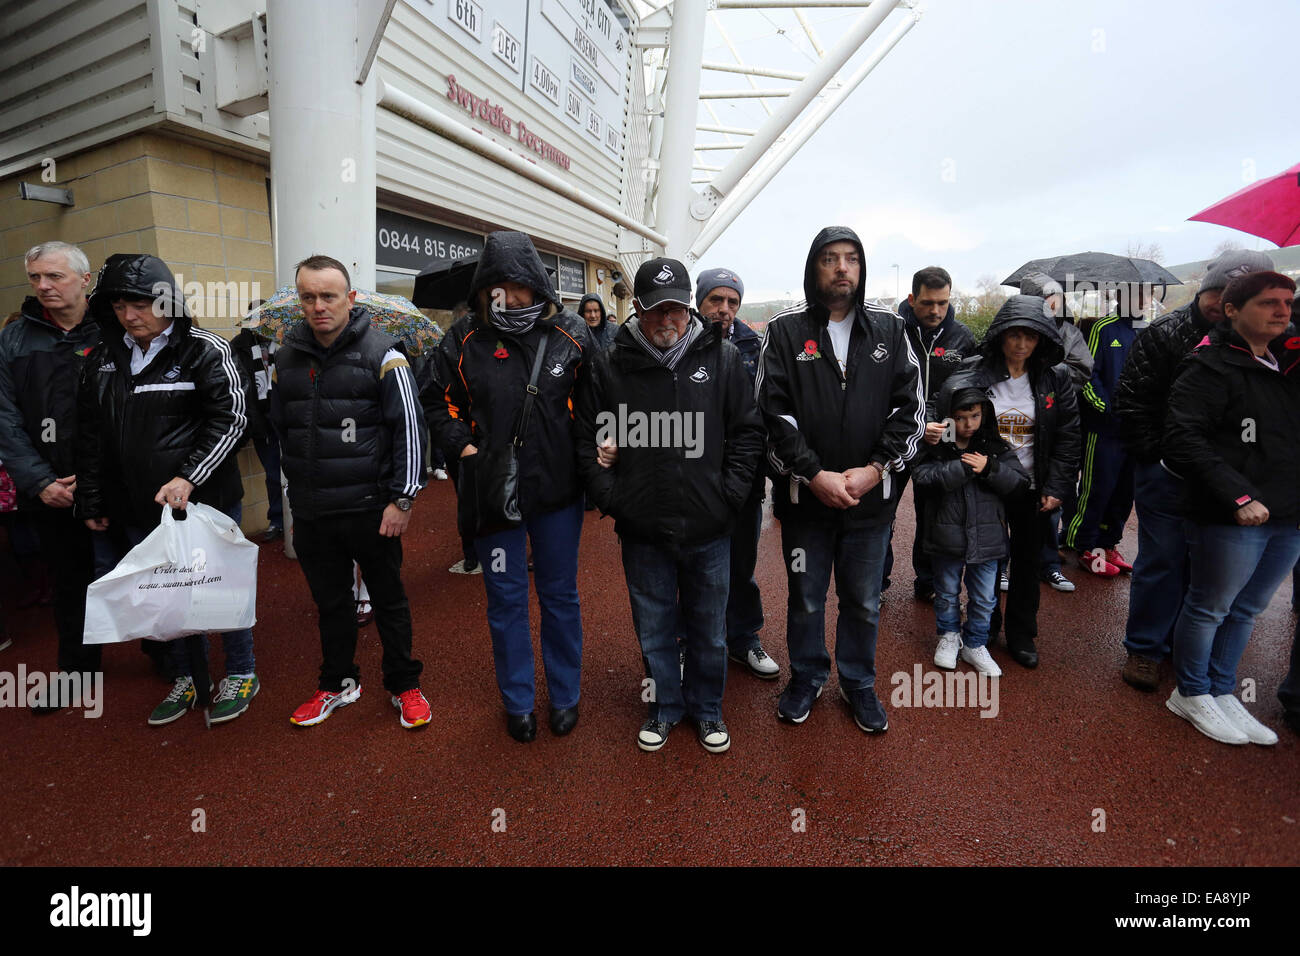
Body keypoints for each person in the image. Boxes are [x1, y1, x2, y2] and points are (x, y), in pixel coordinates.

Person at [578, 258, 763, 753]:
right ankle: (664, 707)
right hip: (642, 529)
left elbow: (747, 433)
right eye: (657, 310)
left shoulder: (722, 359)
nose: (668, 321)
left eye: (677, 310)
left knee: (710, 630)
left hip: (710, 526)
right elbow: (588, 438)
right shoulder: (608, 364)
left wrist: (729, 497)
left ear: (689, 309)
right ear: (636, 309)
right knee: (655, 628)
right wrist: (613, 499)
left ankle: (706, 709)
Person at [76, 253, 257, 724]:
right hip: (137, 508)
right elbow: (91, 436)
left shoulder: (206, 350)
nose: (130, 315)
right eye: (119, 306)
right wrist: (92, 497)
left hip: (205, 505)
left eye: (140, 304)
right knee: (163, 597)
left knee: (217, 591)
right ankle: (185, 678)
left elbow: (231, 419)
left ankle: (239, 671)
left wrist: (189, 477)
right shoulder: (102, 361)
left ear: (167, 301)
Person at [756, 226, 925, 732]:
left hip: (870, 504)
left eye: (851, 259)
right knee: (807, 597)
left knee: (863, 599)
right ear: (814, 268)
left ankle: (858, 683)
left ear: (862, 267)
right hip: (807, 503)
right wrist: (813, 475)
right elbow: (771, 415)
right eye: (830, 259)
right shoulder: (785, 333)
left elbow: (910, 411)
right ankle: (806, 677)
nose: (842, 268)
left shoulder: (890, 332)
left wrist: (875, 470)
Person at [427, 231, 591, 743]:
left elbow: (596, 406)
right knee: (505, 598)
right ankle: (517, 700)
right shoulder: (461, 340)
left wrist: (599, 452)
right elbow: (437, 401)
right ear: (481, 290)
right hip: (493, 494)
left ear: (536, 285)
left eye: (518, 285)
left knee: (560, 596)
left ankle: (566, 695)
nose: (508, 298)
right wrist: (464, 448)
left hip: (558, 494)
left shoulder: (572, 334)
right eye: (496, 286)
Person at [270, 254, 431, 730]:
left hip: (372, 508)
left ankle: (404, 685)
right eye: (309, 297)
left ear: (350, 298)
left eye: (329, 296)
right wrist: (297, 503)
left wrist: (402, 499)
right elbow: (283, 432)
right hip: (316, 511)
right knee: (332, 604)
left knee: (388, 600)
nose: (319, 306)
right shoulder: (285, 358)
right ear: (299, 300)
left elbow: (411, 431)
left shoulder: (385, 354)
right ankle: (338, 684)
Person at [1112, 249, 1275, 691]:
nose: (1219, 303)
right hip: (1166, 473)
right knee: (1162, 560)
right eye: (1215, 292)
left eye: (1232, 297)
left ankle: (1187, 649)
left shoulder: (1266, 344)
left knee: (1209, 567)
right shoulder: (1167, 333)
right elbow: (1132, 402)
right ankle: (1145, 649)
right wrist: (1157, 458)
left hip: (1227, 479)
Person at [1161, 270, 1298, 745]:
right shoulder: (1208, 366)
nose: (1282, 311)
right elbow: (1182, 439)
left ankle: (1222, 690)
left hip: (1287, 510)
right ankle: (1191, 691)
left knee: (1248, 609)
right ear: (1233, 310)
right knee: (1211, 606)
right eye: (1269, 303)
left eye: (1287, 301)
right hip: (1232, 512)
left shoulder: (1283, 365)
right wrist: (1238, 495)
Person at [943, 295, 1080, 669]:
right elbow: (947, 422)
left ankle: (1022, 633)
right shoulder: (973, 375)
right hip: (985, 483)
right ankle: (984, 629)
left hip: (1031, 486)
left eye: (1030, 337)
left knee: (1027, 561)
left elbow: (1068, 436)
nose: (1021, 345)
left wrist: (1056, 488)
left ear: (1042, 341)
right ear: (1001, 336)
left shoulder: (1055, 378)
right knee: (985, 560)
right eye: (1014, 335)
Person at [0, 243, 102, 687]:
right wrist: (40, 481)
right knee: (68, 580)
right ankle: (77, 671)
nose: (43, 286)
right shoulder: (15, 338)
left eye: (54, 277)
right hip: (52, 489)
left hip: (114, 481)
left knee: (141, 569)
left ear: (84, 280)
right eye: (36, 277)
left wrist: (110, 475)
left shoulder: (115, 327)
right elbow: (4, 417)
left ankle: (164, 656)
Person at [693, 266, 778, 679]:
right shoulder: (681, 342)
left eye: (732, 302)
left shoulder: (756, 346)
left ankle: (742, 639)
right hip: (692, 480)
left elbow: (765, 414)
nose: (724, 310)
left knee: (741, 565)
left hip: (744, 479)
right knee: (690, 567)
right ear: (700, 301)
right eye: (716, 300)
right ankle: (684, 641)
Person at [913, 377, 1030, 676]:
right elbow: (922, 478)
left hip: (988, 538)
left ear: (985, 414)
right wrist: (962, 468)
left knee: (984, 597)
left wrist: (989, 468)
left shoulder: (994, 446)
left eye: (975, 416)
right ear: (948, 417)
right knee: (947, 591)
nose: (968, 424)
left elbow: (1019, 483)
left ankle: (976, 643)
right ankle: (948, 635)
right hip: (945, 537)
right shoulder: (936, 447)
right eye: (961, 418)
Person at [893, 266, 976, 603]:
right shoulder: (892, 331)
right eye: (927, 303)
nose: (935, 311)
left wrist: (948, 429)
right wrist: (916, 423)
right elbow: (879, 388)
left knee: (935, 514)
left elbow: (970, 393)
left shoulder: (962, 337)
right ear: (912, 299)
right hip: (899, 432)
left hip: (942, 435)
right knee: (880, 514)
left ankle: (926, 581)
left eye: (942, 303)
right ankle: (877, 584)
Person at [1063, 281, 1150, 576]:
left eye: (1147, 294)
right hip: (1104, 429)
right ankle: (1083, 546)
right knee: (1097, 489)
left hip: (1135, 430)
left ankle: (1107, 545)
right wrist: (1106, 408)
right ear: (1121, 297)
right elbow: (1089, 374)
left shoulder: (1148, 331)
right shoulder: (1104, 328)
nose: (1143, 299)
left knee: (1125, 494)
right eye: (1137, 294)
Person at [1019, 271, 1092, 593]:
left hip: (1053, 416)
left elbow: (1082, 369)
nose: (1053, 303)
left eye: (1056, 297)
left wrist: (1050, 379)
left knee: (1049, 501)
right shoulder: (1014, 329)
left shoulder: (1069, 332)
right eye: (1046, 297)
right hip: (1019, 428)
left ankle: (1049, 564)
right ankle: (1009, 566)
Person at [230, 302, 284, 542]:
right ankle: (278, 520)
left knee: (297, 472)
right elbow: (239, 388)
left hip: (288, 418)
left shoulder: (285, 343)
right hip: (262, 420)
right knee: (273, 473)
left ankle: (300, 520)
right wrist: (252, 420)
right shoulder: (237, 346)